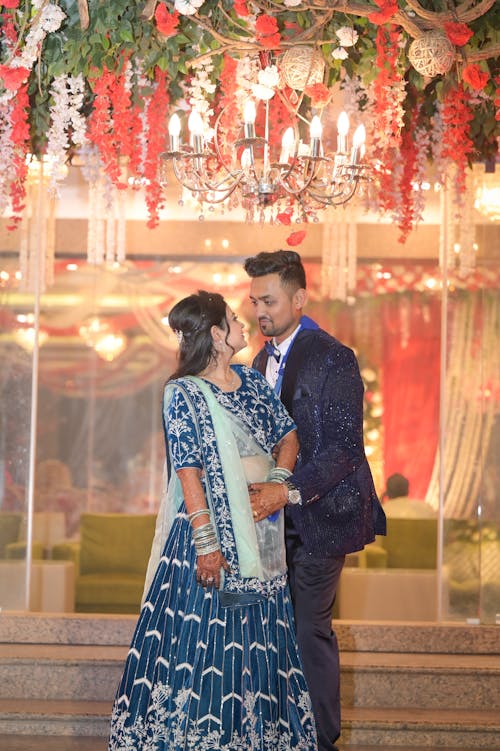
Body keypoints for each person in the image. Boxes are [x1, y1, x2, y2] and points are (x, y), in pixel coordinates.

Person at [108, 290, 317, 751]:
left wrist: (276, 484)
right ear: (218, 335)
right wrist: (206, 541)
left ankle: (256, 738)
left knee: (260, 640)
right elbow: (189, 471)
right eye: (234, 320)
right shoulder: (181, 392)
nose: (244, 325)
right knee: (203, 645)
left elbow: (288, 435)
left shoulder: (251, 379)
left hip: (261, 535)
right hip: (208, 540)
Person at [243, 250, 386, 751]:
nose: (259, 310)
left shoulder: (333, 357)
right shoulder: (260, 358)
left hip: (324, 515)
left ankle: (323, 740)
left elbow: (346, 449)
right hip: (275, 518)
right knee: (277, 630)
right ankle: (283, 732)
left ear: (299, 298)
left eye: (269, 300)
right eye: (254, 300)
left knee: (309, 628)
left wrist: (289, 488)